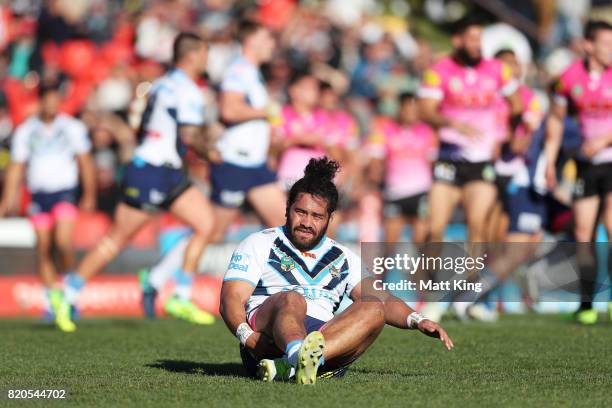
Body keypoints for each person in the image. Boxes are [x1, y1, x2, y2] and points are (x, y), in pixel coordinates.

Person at [219, 158, 453, 384]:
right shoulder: (260, 242)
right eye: (300, 212)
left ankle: (296, 365)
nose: (307, 222)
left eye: (317, 216)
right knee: (292, 299)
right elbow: (231, 297)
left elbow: (384, 298)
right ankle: (296, 356)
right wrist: (247, 337)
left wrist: (418, 320)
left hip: (325, 344)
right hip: (265, 341)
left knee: (373, 307)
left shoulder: (343, 257)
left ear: (330, 218)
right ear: (287, 209)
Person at [52, 32, 216, 332]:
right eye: (205, 52)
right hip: (152, 171)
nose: (208, 59)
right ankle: (68, 293)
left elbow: (140, 122)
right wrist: (214, 153)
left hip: (165, 169)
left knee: (206, 222)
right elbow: (190, 137)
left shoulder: (162, 84)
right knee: (116, 240)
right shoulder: (188, 90)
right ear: (192, 55)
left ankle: (178, 293)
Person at [418, 15, 525, 243]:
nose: (478, 44)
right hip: (449, 158)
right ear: (457, 40)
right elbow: (426, 111)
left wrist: (503, 136)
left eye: (480, 38)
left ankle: (470, 279)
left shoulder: (497, 70)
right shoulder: (439, 70)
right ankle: (429, 277)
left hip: (482, 162)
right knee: (435, 229)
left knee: (476, 228)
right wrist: (452, 123)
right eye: (472, 38)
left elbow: (517, 105)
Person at [0, 83, 96, 318]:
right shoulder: (26, 131)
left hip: (64, 192)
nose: (52, 105)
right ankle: (52, 299)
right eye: (48, 100)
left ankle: (70, 290)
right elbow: (16, 168)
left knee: (63, 242)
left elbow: (85, 162)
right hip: (39, 196)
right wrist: (7, 200)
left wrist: (89, 194)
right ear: (40, 101)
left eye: (56, 100)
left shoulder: (71, 127)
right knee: (43, 248)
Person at [544, 20, 612, 325]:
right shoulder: (569, 78)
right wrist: (549, 161)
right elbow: (556, 121)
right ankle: (587, 303)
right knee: (583, 233)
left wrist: (605, 139)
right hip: (586, 165)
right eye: (607, 44)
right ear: (588, 46)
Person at [209, 20, 286, 242]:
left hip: (254, 164)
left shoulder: (252, 72)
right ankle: (162, 274)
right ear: (251, 41)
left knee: (288, 227)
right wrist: (266, 111)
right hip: (235, 162)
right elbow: (229, 109)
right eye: (267, 38)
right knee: (212, 232)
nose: (272, 44)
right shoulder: (239, 69)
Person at [365, 92, 436, 244]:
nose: (410, 113)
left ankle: (421, 269)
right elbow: (375, 159)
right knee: (389, 243)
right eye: (407, 108)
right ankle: (381, 268)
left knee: (420, 242)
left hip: (421, 191)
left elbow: (432, 162)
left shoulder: (427, 132)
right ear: (400, 109)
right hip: (395, 193)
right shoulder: (385, 129)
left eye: (414, 109)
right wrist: (375, 174)